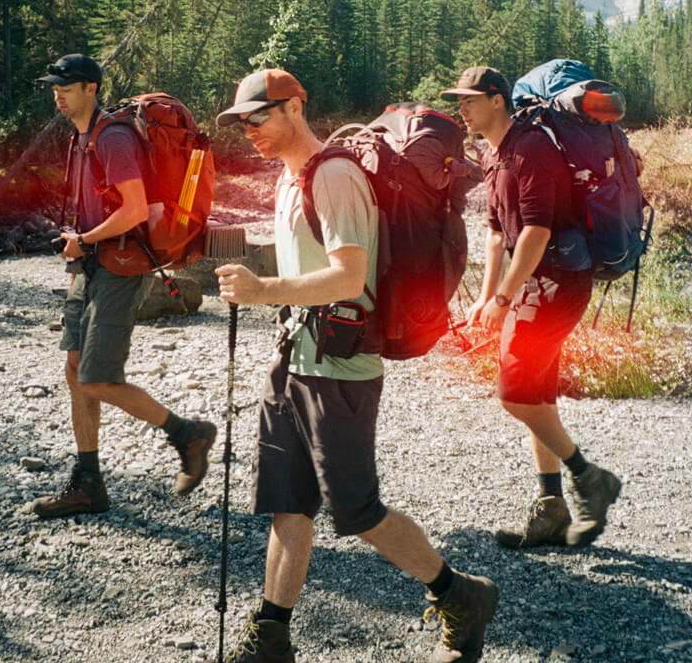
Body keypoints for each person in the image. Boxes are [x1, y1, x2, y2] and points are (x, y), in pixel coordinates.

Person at [215, 68, 497, 663]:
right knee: (287, 503)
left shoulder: (336, 177)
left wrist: (261, 289)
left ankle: (460, 594)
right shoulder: (289, 181)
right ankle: (271, 637)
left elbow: (349, 277)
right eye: (244, 124)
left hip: (340, 370)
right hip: (292, 360)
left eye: (259, 117)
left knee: (357, 511)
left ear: (295, 106)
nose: (250, 132)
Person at [442, 66, 621, 550]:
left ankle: (590, 478)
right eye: (459, 101)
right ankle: (550, 508)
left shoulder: (533, 148)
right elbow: (498, 232)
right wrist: (486, 295)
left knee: (514, 392)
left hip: (559, 282)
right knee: (536, 393)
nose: (463, 109)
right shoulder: (497, 153)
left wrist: (504, 297)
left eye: (470, 100)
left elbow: (538, 232)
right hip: (535, 282)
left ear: (497, 100)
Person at [31, 53, 216, 518]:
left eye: (66, 87)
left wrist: (84, 242)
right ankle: (89, 483)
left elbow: (134, 210)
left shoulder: (111, 138)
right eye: (54, 87)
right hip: (92, 265)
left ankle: (187, 433)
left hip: (119, 266)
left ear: (91, 89)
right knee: (76, 370)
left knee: (98, 378)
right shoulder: (82, 137)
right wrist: (82, 247)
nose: (58, 94)